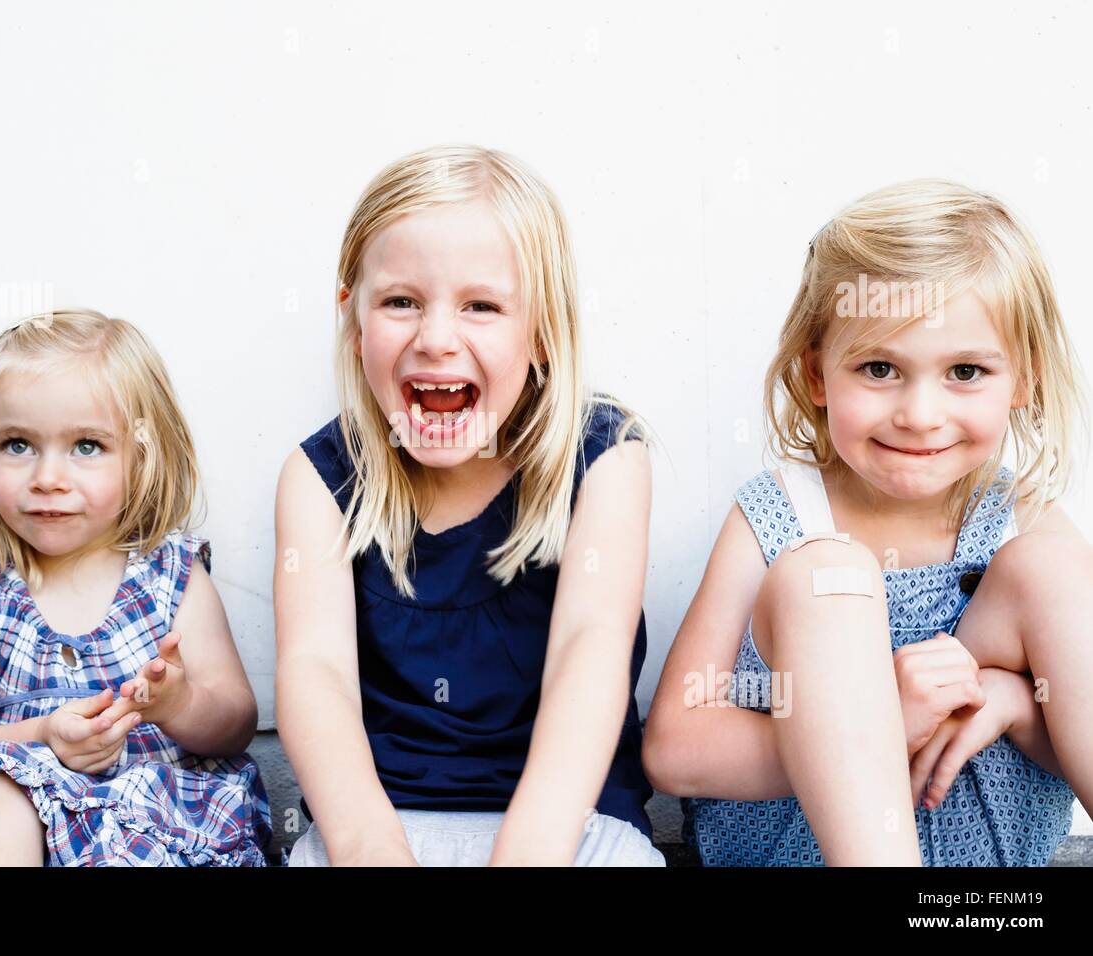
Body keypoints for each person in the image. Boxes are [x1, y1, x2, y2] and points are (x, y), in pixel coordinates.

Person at [647, 180, 1092, 865]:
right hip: (801, 851)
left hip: (986, 880)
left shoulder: (1023, 521)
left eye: (965, 371)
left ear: (1024, 379)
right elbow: (674, 748)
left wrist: (1010, 700)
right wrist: (878, 722)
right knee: (828, 575)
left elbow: (1064, 730)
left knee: (1054, 569)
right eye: (880, 368)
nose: (919, 413)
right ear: (818, 375)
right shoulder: (779, 515)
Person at [275, 144, 666, 866]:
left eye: (481, 306)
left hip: (570, 829)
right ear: (353, 319)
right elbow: (314, 672)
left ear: (543, 328)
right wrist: (368, 850)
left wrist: (528, 852)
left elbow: (592, 648)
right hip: (378, 825)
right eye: (401, 302)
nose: (436, 339)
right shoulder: (319, 479)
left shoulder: (606, 460)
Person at [0, 309, 271, 866]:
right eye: (18, 444)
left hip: (153, 823)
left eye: (87, 446)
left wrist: (180, 703)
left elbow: (236, 724)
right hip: (23, 824)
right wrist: (44, 734)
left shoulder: (170, 573)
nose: (48, 477)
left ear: (141, 456)